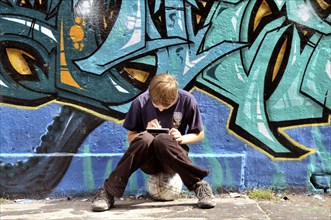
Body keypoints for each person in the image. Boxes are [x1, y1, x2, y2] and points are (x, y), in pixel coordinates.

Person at [91, 73, 216, 211]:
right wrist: (146, 132)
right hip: (148, 161)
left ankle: (200, 186)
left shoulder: (187, 100)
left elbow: (199, 134)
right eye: (157, 106)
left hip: (173, 159)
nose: (161, 109)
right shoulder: (141, 102)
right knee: (145, 138)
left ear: (175, 97)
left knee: (163, 139)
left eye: (167, 106)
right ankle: (107, 192)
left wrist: (181, 138)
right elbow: (131, 136)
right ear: (151, 96)